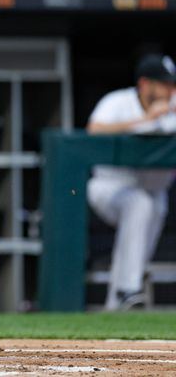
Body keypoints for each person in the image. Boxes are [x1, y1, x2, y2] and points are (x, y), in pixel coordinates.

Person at [86, 53, 176, 311]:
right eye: (164, 84)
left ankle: (118, 303)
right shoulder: (119, 101)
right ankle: (128, 289)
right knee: (140, 203)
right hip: (110, 187)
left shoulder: (173, 105)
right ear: (145, 84)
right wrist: (146, 120)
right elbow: (95, 130)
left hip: (153, 191)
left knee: (152, 205)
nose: (170, 91)